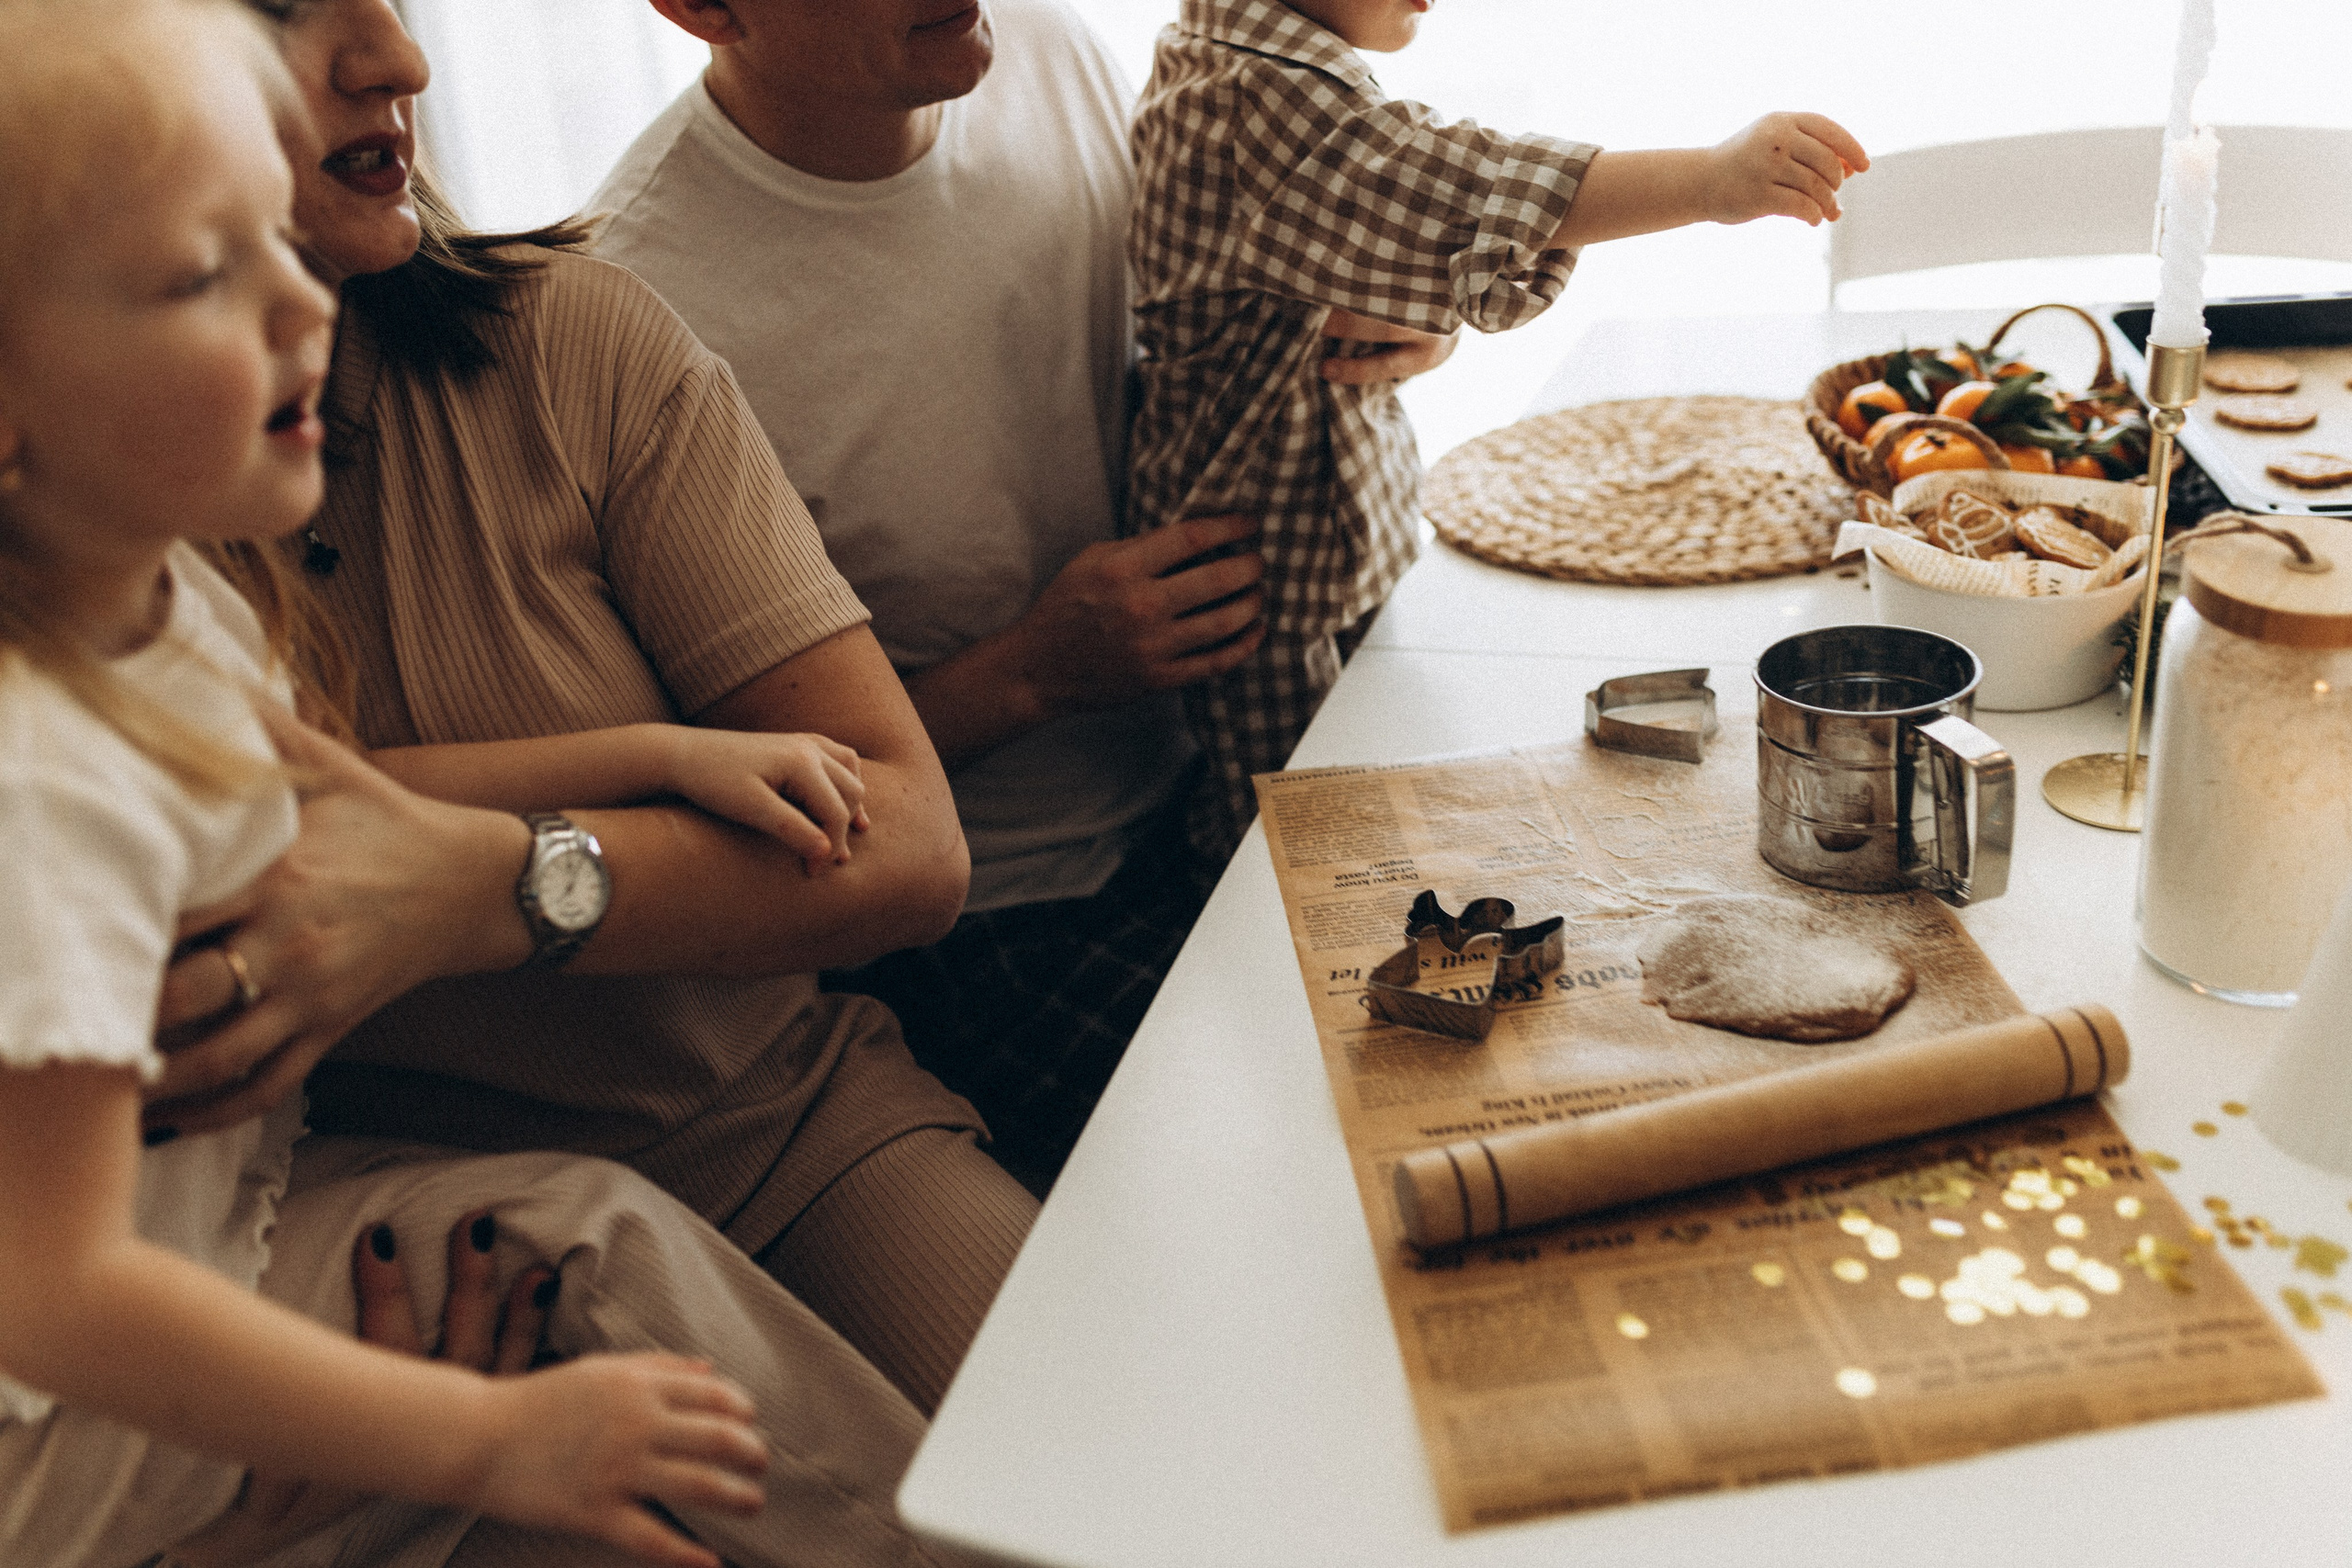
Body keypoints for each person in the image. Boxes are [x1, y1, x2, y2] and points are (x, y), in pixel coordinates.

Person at [0, 8, 876, 1565]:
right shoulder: (40, 790)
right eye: (207, 274)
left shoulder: (156, 601)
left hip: (228, 1226)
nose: (299, 303)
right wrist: (495, 1439)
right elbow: (53, 1290)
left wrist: (657, 755)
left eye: (266, 242)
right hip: (69, 1403)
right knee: (590, 1246)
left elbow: (371, 801)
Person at [144, 0, 1037, 1450]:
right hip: (415, 1248)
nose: (399, 60)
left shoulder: (573, 342)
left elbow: (911, 845)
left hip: (789, 1131)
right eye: (295, 13)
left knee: (1126, 1485)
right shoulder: (97, 533)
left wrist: (494, 891)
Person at [594, 0, 1454, 1193]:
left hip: (1237, 771)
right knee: (1335, 1164)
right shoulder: (638, 303)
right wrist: (1033, 671)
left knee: (1537, 1030)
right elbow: (713, 792)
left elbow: (1214, 328)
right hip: (995, 916)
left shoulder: (1044, 53)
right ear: (701, 9)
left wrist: (1375, 317)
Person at [1128, 0, 1871, 862]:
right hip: (1253, 584)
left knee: (1370, 804)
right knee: (1302, 853)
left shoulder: (1238, 62)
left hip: (1317, 545)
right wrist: (1713, 179)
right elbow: (1467, 184)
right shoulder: (1253, 96)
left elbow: (1366, 227)